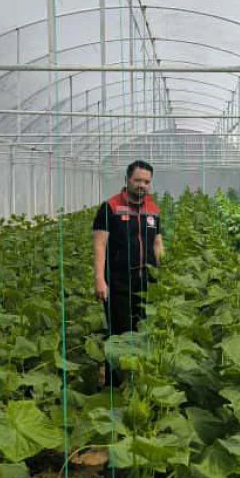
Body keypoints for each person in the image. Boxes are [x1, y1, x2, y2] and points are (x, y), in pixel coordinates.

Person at [93, 160, 163, 385]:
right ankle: (113, 383)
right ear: (127, 180)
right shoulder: (110, 207)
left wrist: (162, 271)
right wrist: (99, 280)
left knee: (142, 331)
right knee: (119, 334)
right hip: (118, 280)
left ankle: (136, 380)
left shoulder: (152, 209)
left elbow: (157, 243)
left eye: (146, 181)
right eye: (138, 180)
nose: (142, 185)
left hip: (145, 281)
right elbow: (99, 245)